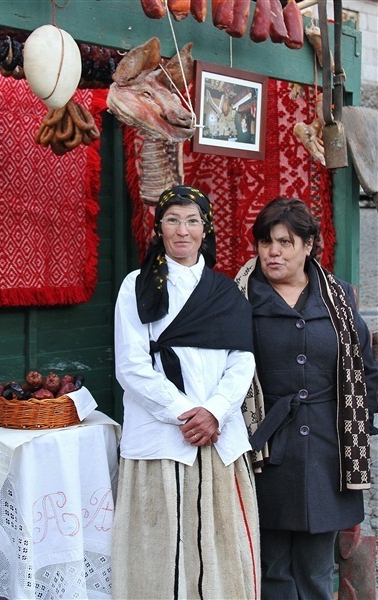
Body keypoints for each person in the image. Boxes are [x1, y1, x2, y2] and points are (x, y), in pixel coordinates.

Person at [111, 185, 260, 599]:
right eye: (173, 220)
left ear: (205, 229)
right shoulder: (137, 286)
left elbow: (242, 359)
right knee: (160, 549)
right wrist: (184, 413)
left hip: (218, 436)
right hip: (163, 438)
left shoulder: (224, 291)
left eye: (192, 221)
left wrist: (215, 411)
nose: (182, 231)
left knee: (221, 546)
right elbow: (131, 366)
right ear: (158, 228)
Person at [235, 197, 378, 600]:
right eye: (266, 242)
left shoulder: (339, 298)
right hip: (265, 449)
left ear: (308, 245)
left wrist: (358, 423)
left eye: (285, 242)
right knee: (273, 570)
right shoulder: (240, 299)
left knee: (317, 570)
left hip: (329, 451)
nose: (273, 252)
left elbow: (365, 369)